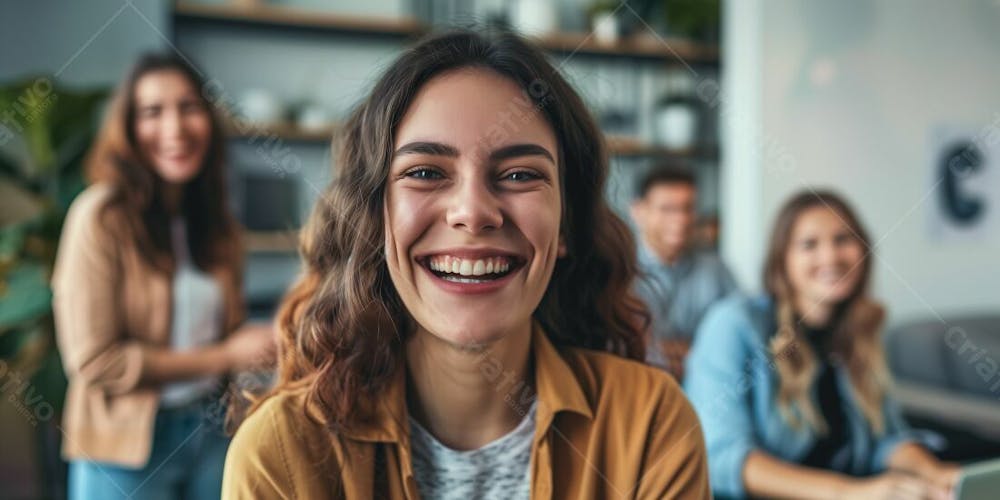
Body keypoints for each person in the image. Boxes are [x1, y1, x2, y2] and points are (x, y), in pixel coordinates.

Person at [222, 29, 709, 499]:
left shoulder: (650, 422)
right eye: (426, 173)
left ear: (564, 226)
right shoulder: (282, 452)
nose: (473, 213)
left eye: (520, 174)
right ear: (376, 219)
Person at [52, 53, 275, 500]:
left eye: (189, 107)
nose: (175, 129)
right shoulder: (99, 217)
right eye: (153, 112)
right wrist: (226, 354)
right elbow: (95, 361)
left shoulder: (219, 225)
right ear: (129, 127)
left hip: (211, 435)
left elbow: (227, 334)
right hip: (125, 451)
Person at [684, 190, 959, 499]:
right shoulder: (734, 324)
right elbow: (721, 457)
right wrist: (849, 493)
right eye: (809, 244)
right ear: (782, 260)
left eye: (843, 240)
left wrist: (936, 473)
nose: (830, 257)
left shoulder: (861, 329)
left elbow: (885, 439)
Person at [630, 164, 738, 379]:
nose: (680, 219)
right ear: (638, 211)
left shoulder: (716, 269)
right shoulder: (618, 271)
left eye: (688, 208)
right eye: (667, 209)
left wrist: (659, 350)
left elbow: (736, 338)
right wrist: (697, 351)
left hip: (705, 388)